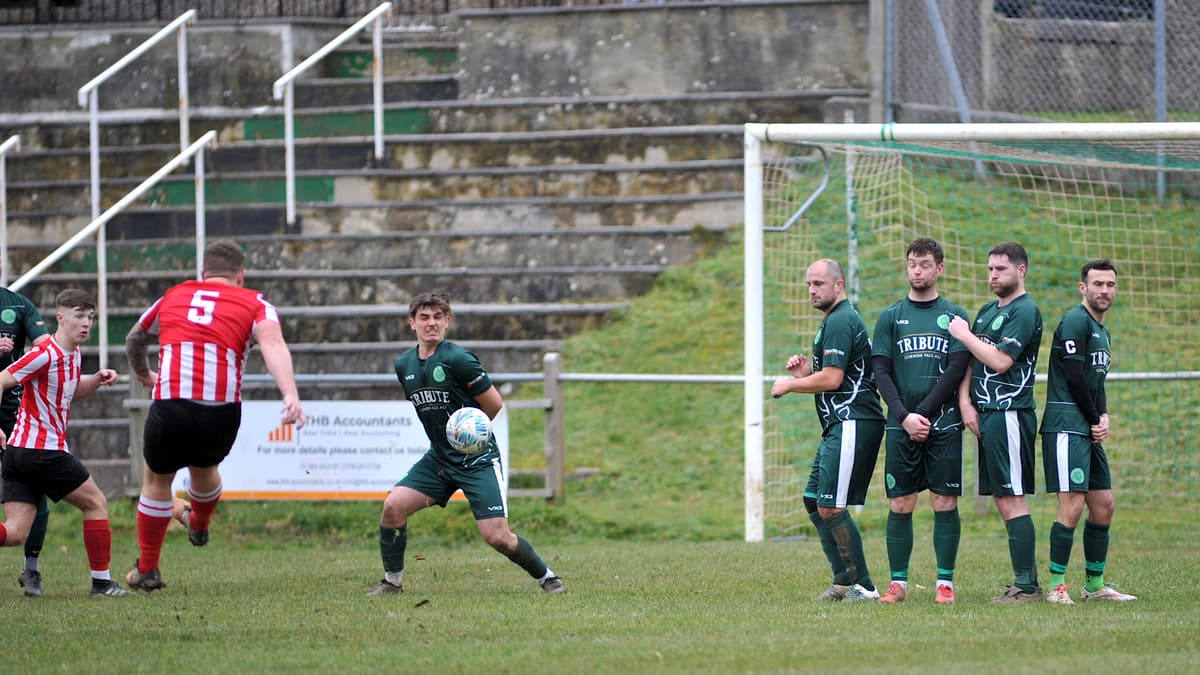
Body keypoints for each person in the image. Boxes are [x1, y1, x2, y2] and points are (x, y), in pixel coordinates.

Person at [124, 239, 306, 591]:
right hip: (220, 409)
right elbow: (272, 344)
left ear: (203, 274)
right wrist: (290, 394)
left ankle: (147, 568)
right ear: (241, 274)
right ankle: (201, 523)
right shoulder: (255, 302)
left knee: (157, 480)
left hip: (171, 401)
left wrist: (144, 374)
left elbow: (134, 339)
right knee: (205, 468)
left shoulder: (174, 294)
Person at [368, 291, 565, 597]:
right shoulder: (403, 364)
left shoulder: (458, 359)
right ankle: (392, 583)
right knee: (393, 507)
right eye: (424, 317)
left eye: (438, 317)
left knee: (498, 537)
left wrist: (468, 435)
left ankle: (548, 578)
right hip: (439, 461)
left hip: (477, 461)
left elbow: (494, 404)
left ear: (447, 321)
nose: (431, 323)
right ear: (412, 323)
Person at [0, 289, 131, 597]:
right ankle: (102, 584)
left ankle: (101, 584)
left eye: (90, 317)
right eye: (78, 316)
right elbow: (2, 379)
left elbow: (71, 392)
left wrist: (96, 380)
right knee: (96, 503)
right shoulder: (45, 353)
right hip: (42, 451)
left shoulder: (72, 354)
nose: (86, 323)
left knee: (16, 532)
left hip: (20, 454)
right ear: (60, 318)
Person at [771, 259, 885, 602]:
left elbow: (834, 379)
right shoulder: (832, 322)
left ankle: (863, 586)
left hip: (854, 421)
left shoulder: (841, 320)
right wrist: (806, 375)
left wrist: (791, 386)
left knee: (831, 506)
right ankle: (842, 580)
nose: (811, 290)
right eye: (809, 284)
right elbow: (835, 378)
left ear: (839, 285)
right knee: (814, 501)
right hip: (839, 423)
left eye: (818, 283)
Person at [871, 238, 970, 605]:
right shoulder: (890, 316)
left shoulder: (955, 316)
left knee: (944, 501)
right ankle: (898, 584)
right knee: (900, 503)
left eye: (925, 264)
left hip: (943, 423)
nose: (917, 270)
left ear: (939, 269)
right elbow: (881, 371)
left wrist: (923, 414)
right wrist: (904, 416)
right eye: (912, 263)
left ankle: (945, 583)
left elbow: (957, 369)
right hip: (900, 425)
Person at [948, 241, 1044, 604]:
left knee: (1012, 497)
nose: (992, 275)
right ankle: (1024, 582)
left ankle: (1027, 586)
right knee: (1003, 498)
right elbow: (973, 360)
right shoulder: (988, 310)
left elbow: (1001, 361)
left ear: (1021, 271)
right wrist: (964, 402)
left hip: (1009, 414)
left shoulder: (1025, 310)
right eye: (989, 269)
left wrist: (965, 335)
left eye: (1000, 269)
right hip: (985, 415)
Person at [1041, 259, 1136, 604]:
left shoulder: (1102, 332)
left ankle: (1094, 586)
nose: (1104, 290)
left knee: (1104, 504)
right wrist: (1095, 417)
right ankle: (1056, 586)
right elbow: (1075, 377)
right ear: (1084, 288)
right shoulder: (1075, 321)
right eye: (1098, 284)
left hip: (1087, 424)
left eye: (1110, 284)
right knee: (1072, 504)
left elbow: (1096, 381)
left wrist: (1104, 414)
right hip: (1067, 425)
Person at [0, 268, 52, 597]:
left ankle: (31, 570)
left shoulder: (18, 305)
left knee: (38, 487)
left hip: (15, 417)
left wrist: (18, 356)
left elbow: (47, 349)